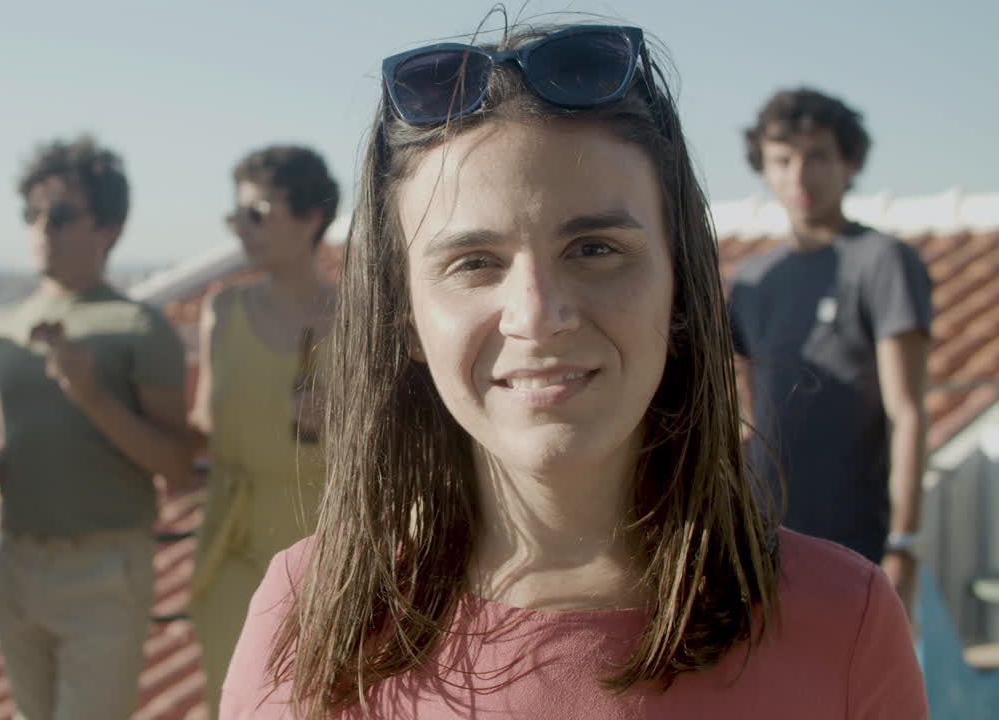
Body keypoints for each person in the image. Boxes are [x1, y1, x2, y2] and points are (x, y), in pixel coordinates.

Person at [221, 23, 928, 719]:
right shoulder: (306, 610)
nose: (539, 313)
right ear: (405, 317)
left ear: (682, 285)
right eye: (474, 264)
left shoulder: (846, 624)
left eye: (594, 249)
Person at [0, 136, 191, 719]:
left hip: (104, 570)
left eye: (59, 215)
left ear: (108, 227)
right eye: (31, 214)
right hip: (16, 564)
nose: (41, 228)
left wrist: (90, 397)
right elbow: (13, 444)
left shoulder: (140, 327)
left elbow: (177, 464)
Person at [731, 88, 933, 606]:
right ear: (764, 168)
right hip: (762, 549)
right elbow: (745, 420)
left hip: (857, 546)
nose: (800, 176)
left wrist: (904, 541)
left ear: (849, 161)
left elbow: (907, 413)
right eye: (783, 159)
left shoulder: (883, 262)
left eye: (817, 156)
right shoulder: (750, 282)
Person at [187, 145, 339, 716]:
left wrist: (341, 422)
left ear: (309, 218)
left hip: (327, 543)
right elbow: (204, 421)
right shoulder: (220, 311)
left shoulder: (359, 316)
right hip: (231, 541)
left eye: (257, 213)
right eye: (236, 215)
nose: (241, 229)